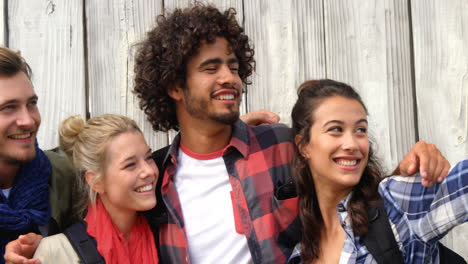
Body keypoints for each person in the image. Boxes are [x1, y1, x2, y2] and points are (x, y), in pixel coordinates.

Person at [4, 4, 450, 264]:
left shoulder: (281, 145)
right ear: (175, 86)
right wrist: (38, 251)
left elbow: (356, 184)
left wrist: (415, 164)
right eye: (211, 67)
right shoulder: (152, 176)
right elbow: (102, 232)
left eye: (234, 66)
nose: (230, 78)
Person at [287, 79, 467, 264]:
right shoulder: (299, 253)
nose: (352, 144)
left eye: (360, 129)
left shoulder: (398, 202)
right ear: (303, 146)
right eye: (335, 129)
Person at [33, 114, 159, 263]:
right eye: (130, 164)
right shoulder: (57, 252)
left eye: (149, 157)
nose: (149, 171)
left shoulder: (167, 238)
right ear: (96, 181)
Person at [0, 47, 76, 264]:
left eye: (31, 104)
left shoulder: (65, 177)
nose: (29, 120)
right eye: (8, 108)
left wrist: (50, 248)